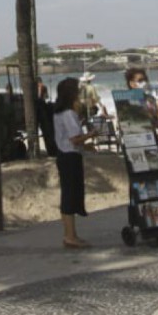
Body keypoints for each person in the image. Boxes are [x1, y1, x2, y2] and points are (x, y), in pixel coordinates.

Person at [53, 77, 97, 248]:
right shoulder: (68, 113)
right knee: (70, 195)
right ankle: (70, 236)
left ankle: (70, 234)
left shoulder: (59, 112)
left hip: (64, 155)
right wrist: (91, 135)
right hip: (70, 157)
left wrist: (86, 145)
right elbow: (74, 139)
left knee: (68, 195)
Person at [36, 79, 57, 157]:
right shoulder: (41, 87)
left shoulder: (39, 88)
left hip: (43, 116)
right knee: (49, 135)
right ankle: (52, 151)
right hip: (45, 117)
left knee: (47, 135)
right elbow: (43, 97)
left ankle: (51, 151)